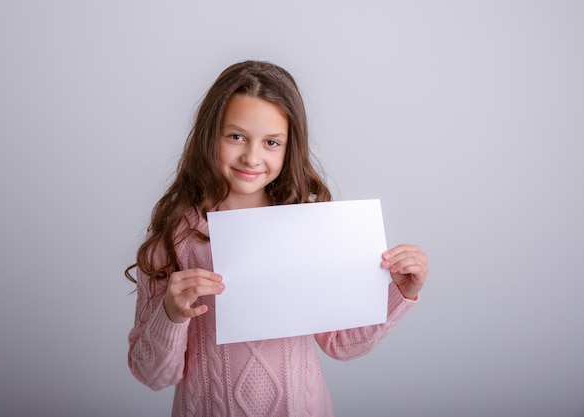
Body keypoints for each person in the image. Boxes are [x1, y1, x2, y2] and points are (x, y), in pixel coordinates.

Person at [126, 60, 428, 417]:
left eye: (271, 142)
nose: (252, 156)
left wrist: (400, 292)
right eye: (236, 136)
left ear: (289, 147)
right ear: (211, 135)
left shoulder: (309, 228)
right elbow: (152, 374)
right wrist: (171, 315)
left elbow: (341, 344)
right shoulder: (175, 237)